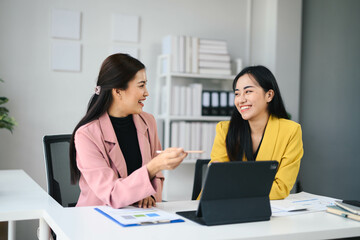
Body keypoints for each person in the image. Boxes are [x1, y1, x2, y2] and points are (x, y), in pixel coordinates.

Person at [69, 53, 188, 209]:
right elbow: (111, 194)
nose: (147, 93)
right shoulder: (86, 135)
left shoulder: (148, 122)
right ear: (118, 91)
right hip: (98, 218)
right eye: (141, 85)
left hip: (137, 215)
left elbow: (157, 177)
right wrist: (154, 166)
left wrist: (149, 194)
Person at [209, 65, 303, 200]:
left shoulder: (290, 131)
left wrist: (233, 185)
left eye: (248, 92)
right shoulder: (225, 130)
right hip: (221, 205)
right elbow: (217, 181)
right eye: (237, 93)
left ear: (269, 95)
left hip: (263, 209)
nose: (241, 100)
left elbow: (281, 188)